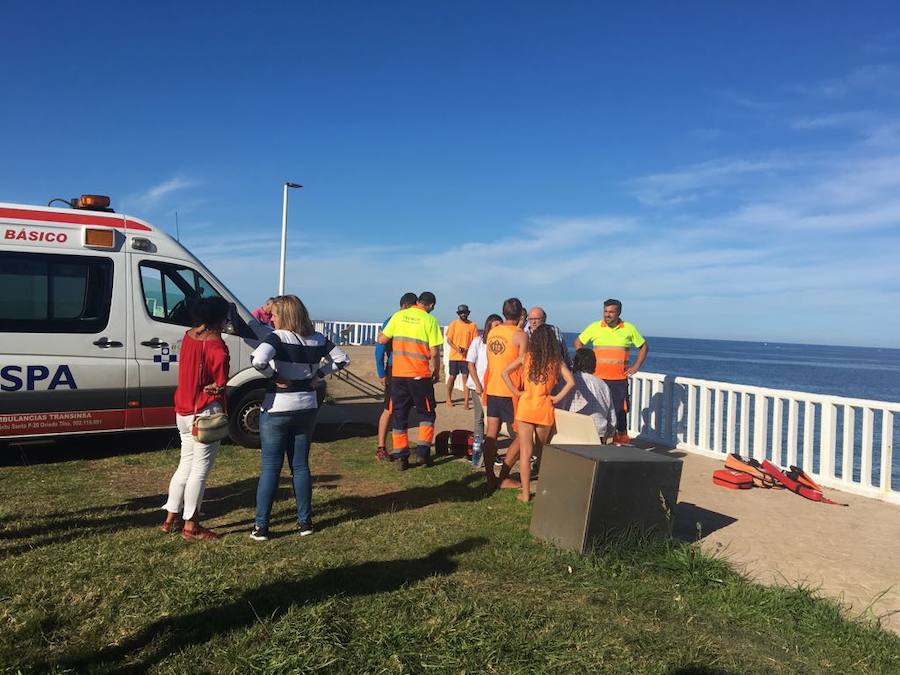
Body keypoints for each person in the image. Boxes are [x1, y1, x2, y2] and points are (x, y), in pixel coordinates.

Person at [249, 295, 349, 541]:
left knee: (271, 467)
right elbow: (343, 358)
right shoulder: (317, 339)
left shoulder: (278, 337)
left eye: (273, 314)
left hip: (277, 408)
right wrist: (320, 374)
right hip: (306, 406)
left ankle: (261, 526)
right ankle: (305, 523)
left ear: (283, 315)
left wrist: (273, 376)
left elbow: (258, 359)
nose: (271, 318)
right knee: (301, 466)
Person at [161, 296, 232, 541]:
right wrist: (217, 387)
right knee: (199, 471)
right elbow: (220, 383)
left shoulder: (189, 336)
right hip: (204, 413)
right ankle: (191, 524)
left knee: (185, 464)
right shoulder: (217, 347)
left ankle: (170, 517)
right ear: (221, 319)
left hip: (183, 409)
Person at [502, 324, 575, 502]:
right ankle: (544, 489)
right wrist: (556, 397)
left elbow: (504, 372)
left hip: (526, 406)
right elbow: (571, 381)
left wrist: (516, 391)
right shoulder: (556, 361)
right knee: (542, 451)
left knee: (525, 453)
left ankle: (526, 494)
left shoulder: (526, 357)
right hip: (544, 407)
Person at [376, 291, 443, 471]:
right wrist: (436, 371)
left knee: (399, 415)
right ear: (431, 306)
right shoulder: (430, 320)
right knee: (427, 414)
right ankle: (422, 451)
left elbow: (382, 339)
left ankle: (402, 456)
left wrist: (382, 332)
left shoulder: (398, 316)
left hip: (398, 376)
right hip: (420, 375)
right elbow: (435, 352)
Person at [574, 298, 648, 444]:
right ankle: (596, 440)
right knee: (597, 410)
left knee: (620, 411)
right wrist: (584, 360)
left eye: (611, 312)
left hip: (618, 379)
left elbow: (644, 347)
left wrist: (636, 366)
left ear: (619, 312)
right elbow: (578, 342)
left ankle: (621, 443)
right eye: (605, 311)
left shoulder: (628, 328)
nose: (607, 315)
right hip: (596, 378)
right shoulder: (595, 327)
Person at [482, 297, 528, 489]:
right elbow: (524, 363)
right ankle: (503, 476)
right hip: (512, 390)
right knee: (522, 435)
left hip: (493, 387)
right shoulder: (520, 335)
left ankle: (490, 475)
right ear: (520, 315)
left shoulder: (493, 332)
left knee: (491, 433)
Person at [375, 292, 418, 460]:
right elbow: (379, 349)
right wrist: (381, 373)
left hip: (409, 370)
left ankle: (401, 447)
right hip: (395, 370)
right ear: (408, 305)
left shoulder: (411, 321)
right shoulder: (393, 320)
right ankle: (381, 447)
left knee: (403, 409)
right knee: (390, 408)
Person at [465, 313, 502, 467]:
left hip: (495, 387)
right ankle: (477, 452)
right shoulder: (478, 341)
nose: (499, 329)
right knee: (480, 419)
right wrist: (478, 384)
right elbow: (470, 364)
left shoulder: (501, 344)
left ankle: (491, 451)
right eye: (496, 326)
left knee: (494, 421)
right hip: (478, 387)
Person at [558, 348, 616, 441]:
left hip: (573, 432)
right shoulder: (603, 385)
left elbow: (560, 407)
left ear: (576, 363)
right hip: (598, 434)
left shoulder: (567, 382)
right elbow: (612, 417)